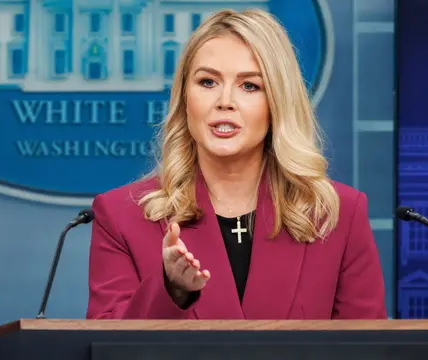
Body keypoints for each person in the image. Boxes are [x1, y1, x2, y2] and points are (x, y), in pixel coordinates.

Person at [86, 9, 387, 320]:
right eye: (207, 82)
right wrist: (170, 290)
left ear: (277, 102)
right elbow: (108, 347)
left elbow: (368, 347)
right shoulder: (122, 216)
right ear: (184, 98)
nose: (225, 101)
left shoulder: (338, 214)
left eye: (249, 86)